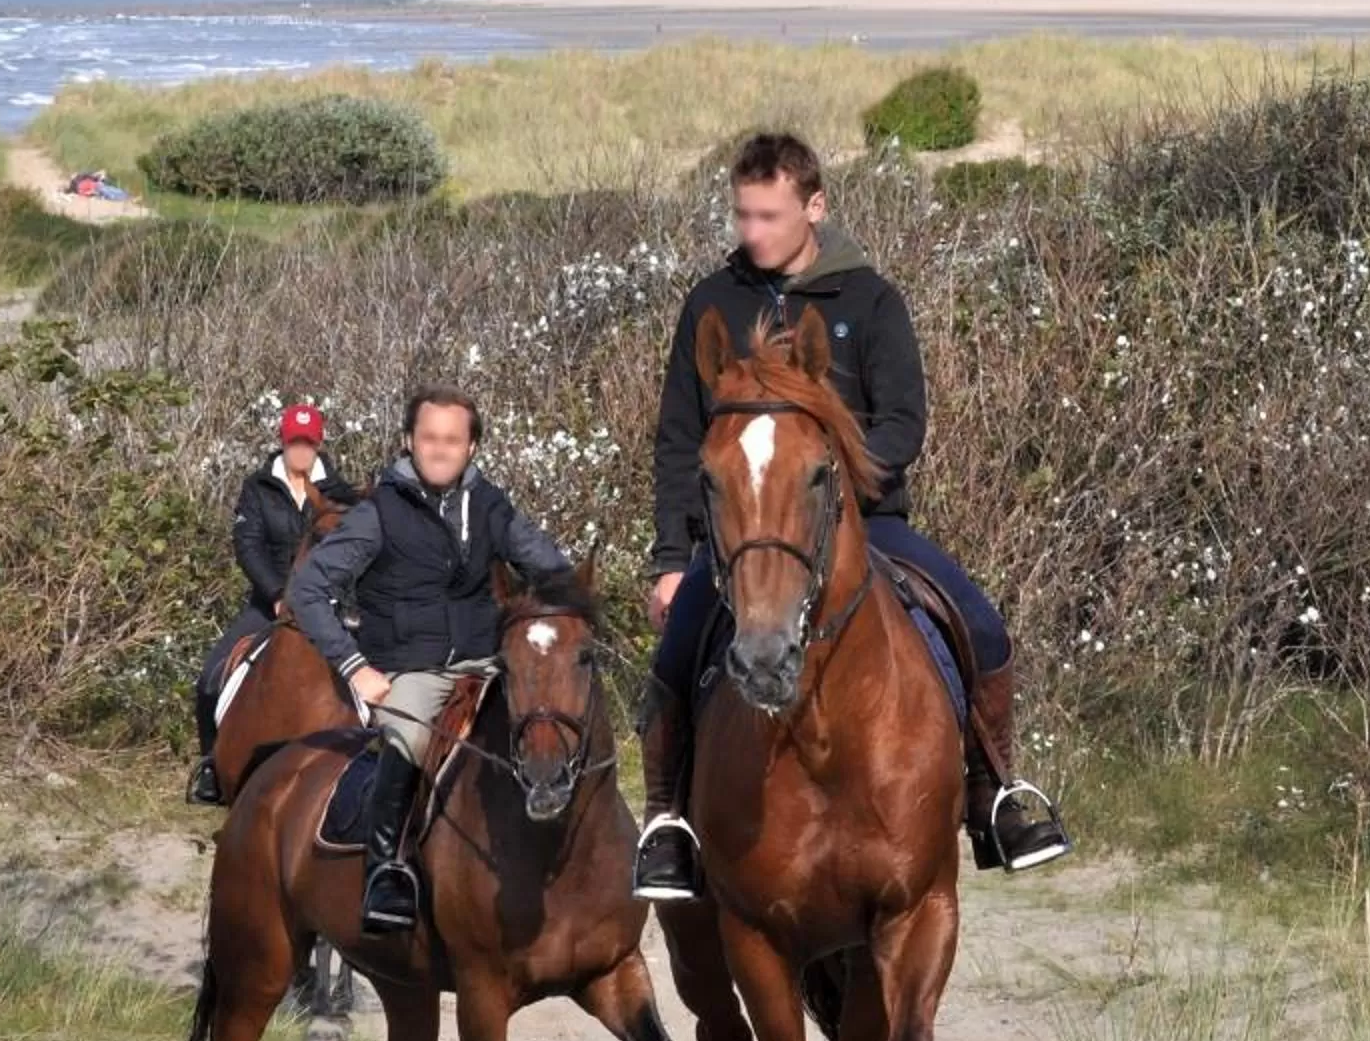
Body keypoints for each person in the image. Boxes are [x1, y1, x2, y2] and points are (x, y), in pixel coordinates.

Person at [631, 131, 1069, 901]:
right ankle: (668, 824)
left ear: (815, 206)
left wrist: (833, 483)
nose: (752, 232)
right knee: (672, 660)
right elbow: (677, 440)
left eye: (769, 215)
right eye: (742, 215)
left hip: (864, 520)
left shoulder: (870, 300)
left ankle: (992, 793)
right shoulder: (711, 304)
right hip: (741, 537)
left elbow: (904, 421)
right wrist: (673, 558)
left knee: (982, 626)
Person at [288, 385, 573, 934]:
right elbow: (309, 589)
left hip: (485, 663)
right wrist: (356, 668)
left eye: (452, 439)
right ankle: (387, 870)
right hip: (410, 669)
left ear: (471, 448)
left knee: (550, 721)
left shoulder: (492, 506)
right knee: (410, 738)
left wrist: (561, 614)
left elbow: (552, 569)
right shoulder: (378, 513)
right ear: (409, 441)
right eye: (429, 438)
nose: (440, 449)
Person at [187, 401, 344, 806]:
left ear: (318, 444)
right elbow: (248, 544)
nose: (301, 451)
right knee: (208, 680)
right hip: (268, 605)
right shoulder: (258, 488)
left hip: (326, 608)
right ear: (283, 441)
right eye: (295, 442)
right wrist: (276, 594)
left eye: (308, 443)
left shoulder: (337, 490)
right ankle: (210, 766)